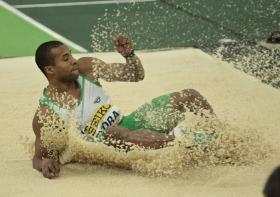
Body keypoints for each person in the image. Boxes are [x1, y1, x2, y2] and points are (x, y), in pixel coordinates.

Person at [32, 35, 214, 178]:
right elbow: (39, 158)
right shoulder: (47, 113)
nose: (73, 60)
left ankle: (219, 137)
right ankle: (185, 142)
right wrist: (45, 164)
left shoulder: (86, 68)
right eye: (66, 58)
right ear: (50, 70)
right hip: (107, 148)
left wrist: (130, 56)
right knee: (113, 132)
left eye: (71, 54)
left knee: (189, 96)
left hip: (128, 123)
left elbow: (135, 75)